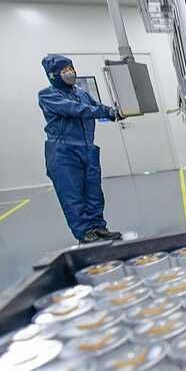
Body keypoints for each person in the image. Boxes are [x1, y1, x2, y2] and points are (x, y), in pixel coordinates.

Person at [39, 54, 123, 243]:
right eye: (64, 70)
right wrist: (105, 112)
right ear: (53, 75)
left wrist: (116, 113)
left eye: (71, 68)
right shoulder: (47, 95)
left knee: (94, 192)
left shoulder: (82, 93)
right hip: (63, 152)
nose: (70, 73)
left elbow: (96, 107)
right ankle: (84, 232)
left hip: (87, 149)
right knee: (72, 195)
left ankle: (98, 227)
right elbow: (76, 109)